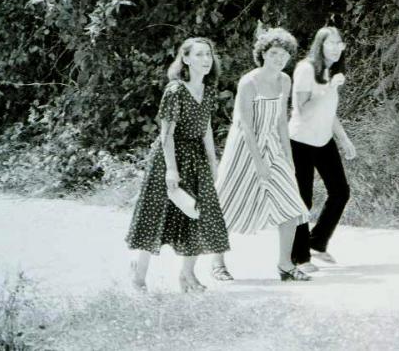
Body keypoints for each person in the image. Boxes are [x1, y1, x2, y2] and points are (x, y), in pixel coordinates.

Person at [125, 37, 230, 292]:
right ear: (186, 59)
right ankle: (138, 277)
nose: (206, 60)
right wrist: (171, 170)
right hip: (169, 158)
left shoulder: (208, 90)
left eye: (208, 54)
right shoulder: (175, 90)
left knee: (199, 213)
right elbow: (167, 134)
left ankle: (187, 275)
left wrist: (213, 160)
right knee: (155, 215)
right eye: (199, 54)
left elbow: (206, 128)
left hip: (196, 159)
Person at [210, 26, 312, 282]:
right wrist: (258, 164)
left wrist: (289, 158)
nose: (279, 58)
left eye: (284, 54)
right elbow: (245, 126)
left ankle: (285, 265)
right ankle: (217, 263)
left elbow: (281, 122)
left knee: (291, 204)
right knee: (227, 202)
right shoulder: (249, 82)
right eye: (274, 53)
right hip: (244, 149)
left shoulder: (285, 80)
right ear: (263, 53)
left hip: (272, 145)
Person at [289, 26, 356, 273]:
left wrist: (345, 140)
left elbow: (328, 112)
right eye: (331, 43)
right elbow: (301, 109)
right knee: (303, 200)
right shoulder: (306, 69)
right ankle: (299, 257)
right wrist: (328, 88)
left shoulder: (331, 71)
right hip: (301, 140)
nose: (337, 48)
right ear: (320, 45)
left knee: (340, 191)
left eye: (340, 43)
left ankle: (317, 242)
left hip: (324, 138)